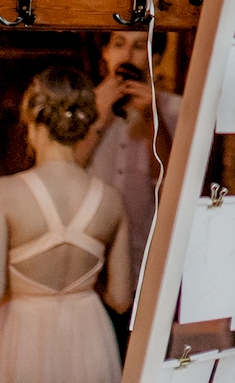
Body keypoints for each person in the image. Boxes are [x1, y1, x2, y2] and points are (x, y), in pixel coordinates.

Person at [0, 66, 133, 383]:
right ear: (85, 125)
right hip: (90, 334)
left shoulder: (2, 194)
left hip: (26, 334)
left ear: (32, 123)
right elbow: (120, 297)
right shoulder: (112, 200)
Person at [76, 29, 179, 279]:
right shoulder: (80, 106)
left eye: (139, 46)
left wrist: (153, 118)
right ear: (106, 53)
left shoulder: (176, 108)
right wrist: (99, 117)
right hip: (87, 248)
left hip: (149, 245)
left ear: (154, 57)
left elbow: (172, 180)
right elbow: (69, 167)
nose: (127, 55)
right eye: (119, 44)